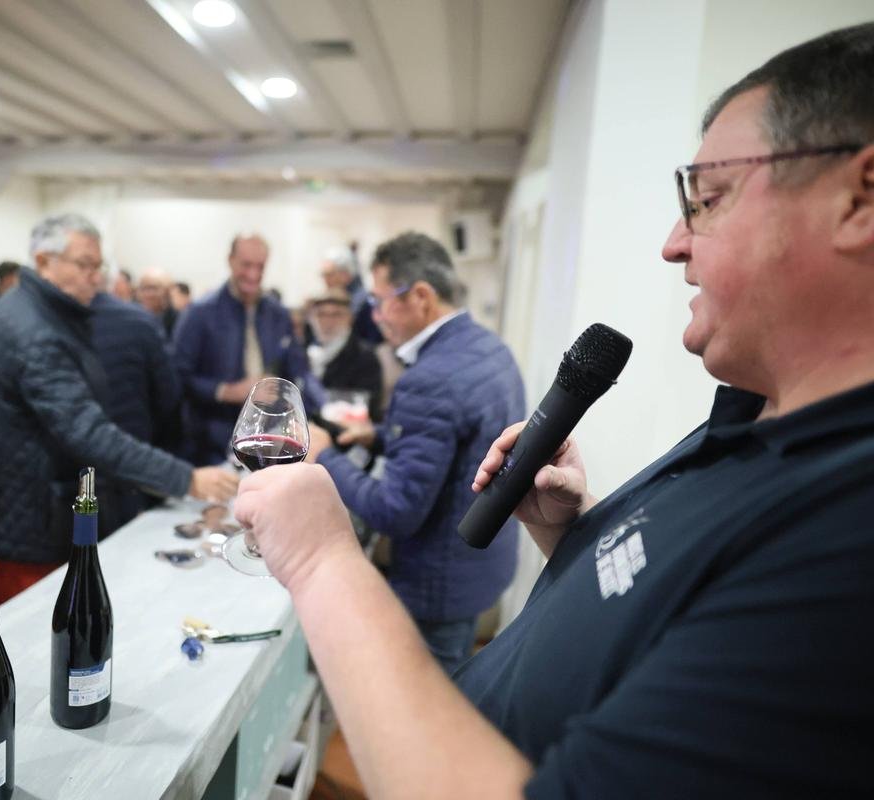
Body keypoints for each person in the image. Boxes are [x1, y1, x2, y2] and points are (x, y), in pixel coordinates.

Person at [234, 24, 874, 797]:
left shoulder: (847, 539)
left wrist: (319, 560)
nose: (675, 244)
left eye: (709, 199)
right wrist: (577, 532)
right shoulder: (754, 417)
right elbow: (673, 603)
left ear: (858, 197)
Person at [0, 213, 237, 605]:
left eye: (98, 266)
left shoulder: (36, 309)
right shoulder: (34, 329)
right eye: (84, 264)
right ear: (44, 261)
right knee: (31, 635)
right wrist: (185, 478)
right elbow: (86, 429)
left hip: (36, 504)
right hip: (35, 519)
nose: (95, 277)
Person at [307, 233, 525, 675]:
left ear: (421, 296)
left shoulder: (429, 377)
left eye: (381, 300)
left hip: (438, 588)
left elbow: (394, 511)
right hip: (480, 566)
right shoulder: (489, 348)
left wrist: (325, 454)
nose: (376, 315)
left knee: (428, 722)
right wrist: (379, 436)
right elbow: (459, 445)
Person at [172, 234, 313, 465]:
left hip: (269, 435)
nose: (253, 274)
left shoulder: (278, 315)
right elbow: (178, 375)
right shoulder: (200, 313)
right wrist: (226, 391)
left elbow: (297, 368)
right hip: (211, 441)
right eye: (246, 265)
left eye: (260, 266)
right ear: (231, 261)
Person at [89, 283, 184, 526]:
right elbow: (169, 396)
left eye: (156, 289)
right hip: (127, 459)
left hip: (126, 459)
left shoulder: (141, 322)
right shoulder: (140, 321)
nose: (151, 294)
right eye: (146, 288)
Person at [305, 289, 384, 422]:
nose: (327, 322)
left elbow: (364, 407)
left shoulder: (364, 356)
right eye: (321, 315)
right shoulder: (306, 352)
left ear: (349, 318)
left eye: (336, 315)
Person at [321, 245, 381, 344]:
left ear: (345, 274)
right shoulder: (334, 299)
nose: (326, 281)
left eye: (329, 275)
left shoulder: (363, 303)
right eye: (324, 275)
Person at [135, 267, 179, 340]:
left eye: (153, 288)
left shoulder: (179, 320)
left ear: (168, 291)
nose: (147, 294)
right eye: (143, 288)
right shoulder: (133, 319)